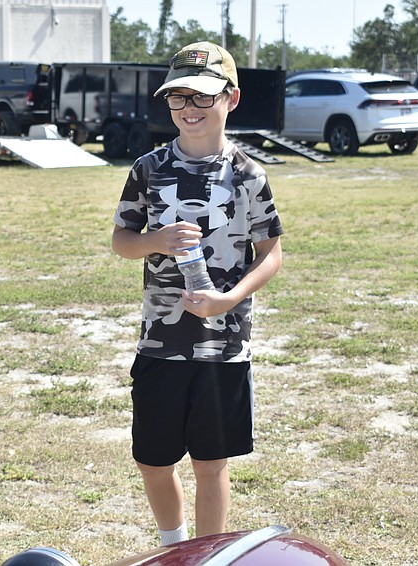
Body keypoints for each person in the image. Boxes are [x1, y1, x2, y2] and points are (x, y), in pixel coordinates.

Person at [111, 41, 284, 546]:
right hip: (160, 344)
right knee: (152, 459)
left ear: (231, 98)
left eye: (202, 98)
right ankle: (175, 546)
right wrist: (154, 242)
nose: (189, 110)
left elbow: (271, 252)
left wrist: (230, 300)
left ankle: (207, 556)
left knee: (212, 463)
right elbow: (122, 241)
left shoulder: (249, 175)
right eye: (178, 98)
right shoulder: (148, 167)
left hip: (222, 347)